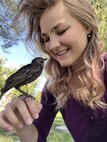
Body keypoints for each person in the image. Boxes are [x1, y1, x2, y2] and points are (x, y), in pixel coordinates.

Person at [0, 0, 107, 142]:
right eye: (46, 39)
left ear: (87, 25)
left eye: (61, 31)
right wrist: (21, 122)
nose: (52, 45)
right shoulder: (53, 89)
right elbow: (37, 136)